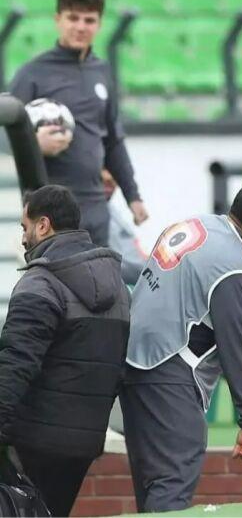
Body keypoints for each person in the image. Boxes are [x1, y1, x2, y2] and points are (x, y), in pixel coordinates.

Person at [120, 180, 242, 512]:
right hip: (169, 371)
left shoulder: (195, 224)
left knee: (153, 481)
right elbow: (237, 347)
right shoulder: (233, 267)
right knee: (173, 479)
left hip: (133, 360)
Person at [0, 185, 129, 517]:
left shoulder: (40, 283)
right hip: (83, 443)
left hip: (32, 438)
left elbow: (16, 364)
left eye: (25, 227)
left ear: (43, 225)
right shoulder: (119, 289)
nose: (24, 238)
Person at [9, 0, 148, 247]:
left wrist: (133, 197)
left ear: (99, 24)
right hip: (48, 214)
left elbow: (113, 141)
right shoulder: (32, 74)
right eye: (73, 18)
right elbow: (4, 136)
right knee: (54, 276)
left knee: (99, 274)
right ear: (58, 19)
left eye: (89, 20)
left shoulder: (102, 71)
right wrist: (33, 144)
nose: (81, 27)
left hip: (96, 209)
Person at [102, 169, 148, 285]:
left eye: (114, 182)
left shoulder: (112, 210)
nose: (111, 187)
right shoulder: (97, 217)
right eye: (107, 182)